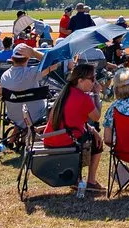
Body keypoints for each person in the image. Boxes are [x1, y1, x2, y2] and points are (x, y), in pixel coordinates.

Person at [43, 62, 106, 198]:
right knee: (98, 143)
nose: (94, 82)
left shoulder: (65, 92)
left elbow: (73, 119)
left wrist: (91, 129)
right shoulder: (83, 98)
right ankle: (91, 181)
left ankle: (78, 179)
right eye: (92, 79)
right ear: (80, 80)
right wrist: (96, 94)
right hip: (65, 140)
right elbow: (96, 117)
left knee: (92, 135)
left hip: (51, 139)